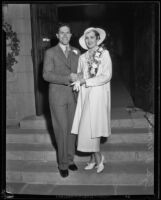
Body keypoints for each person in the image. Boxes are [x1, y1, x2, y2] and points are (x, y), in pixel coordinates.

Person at [71, 27, 112, 173]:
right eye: (86, 38)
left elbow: (106, 75)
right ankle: (93, 159)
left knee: (93, 127)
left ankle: (99, 158)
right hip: (85, 95)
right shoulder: (82, 57)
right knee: (86, 127)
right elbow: (81, 74)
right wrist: (77, 79)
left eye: (92, 37)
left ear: (97, 39)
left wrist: (87, 82)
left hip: (98, 94)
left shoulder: (104, 54)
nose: (89, 40)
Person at [43, 23, 80, 178]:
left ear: (71, 35)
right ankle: (62, 164)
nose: (65, 36)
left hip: (73, 95)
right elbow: (46, 75)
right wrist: (67, 78)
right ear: (57, 36)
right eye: (61, 33)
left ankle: (70, 160)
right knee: (62, 130)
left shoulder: (76, 52)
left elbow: (80, 72)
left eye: (67, 33)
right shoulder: (50, 52)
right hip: (57, 96)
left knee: (72, 130)